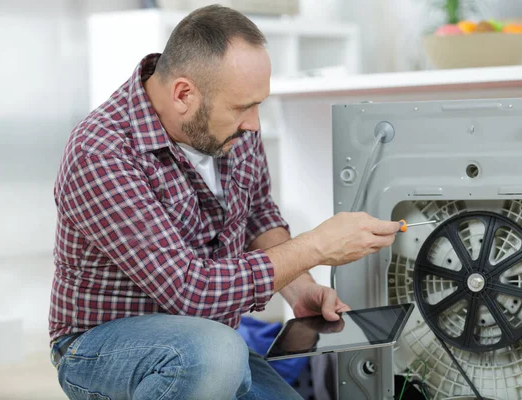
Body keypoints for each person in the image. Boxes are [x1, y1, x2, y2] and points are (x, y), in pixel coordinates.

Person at [49, 5, 402, 400]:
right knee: (215, 354)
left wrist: (299, 287)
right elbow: (190, 290)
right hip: (102, 347)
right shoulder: (102, 152)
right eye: (241, 108)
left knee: (220, 351)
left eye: (258, 105)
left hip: (211, 339)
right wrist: (315, 247)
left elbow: (257, 214)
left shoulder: (232, 125)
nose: (253, 123)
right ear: (184, 93)